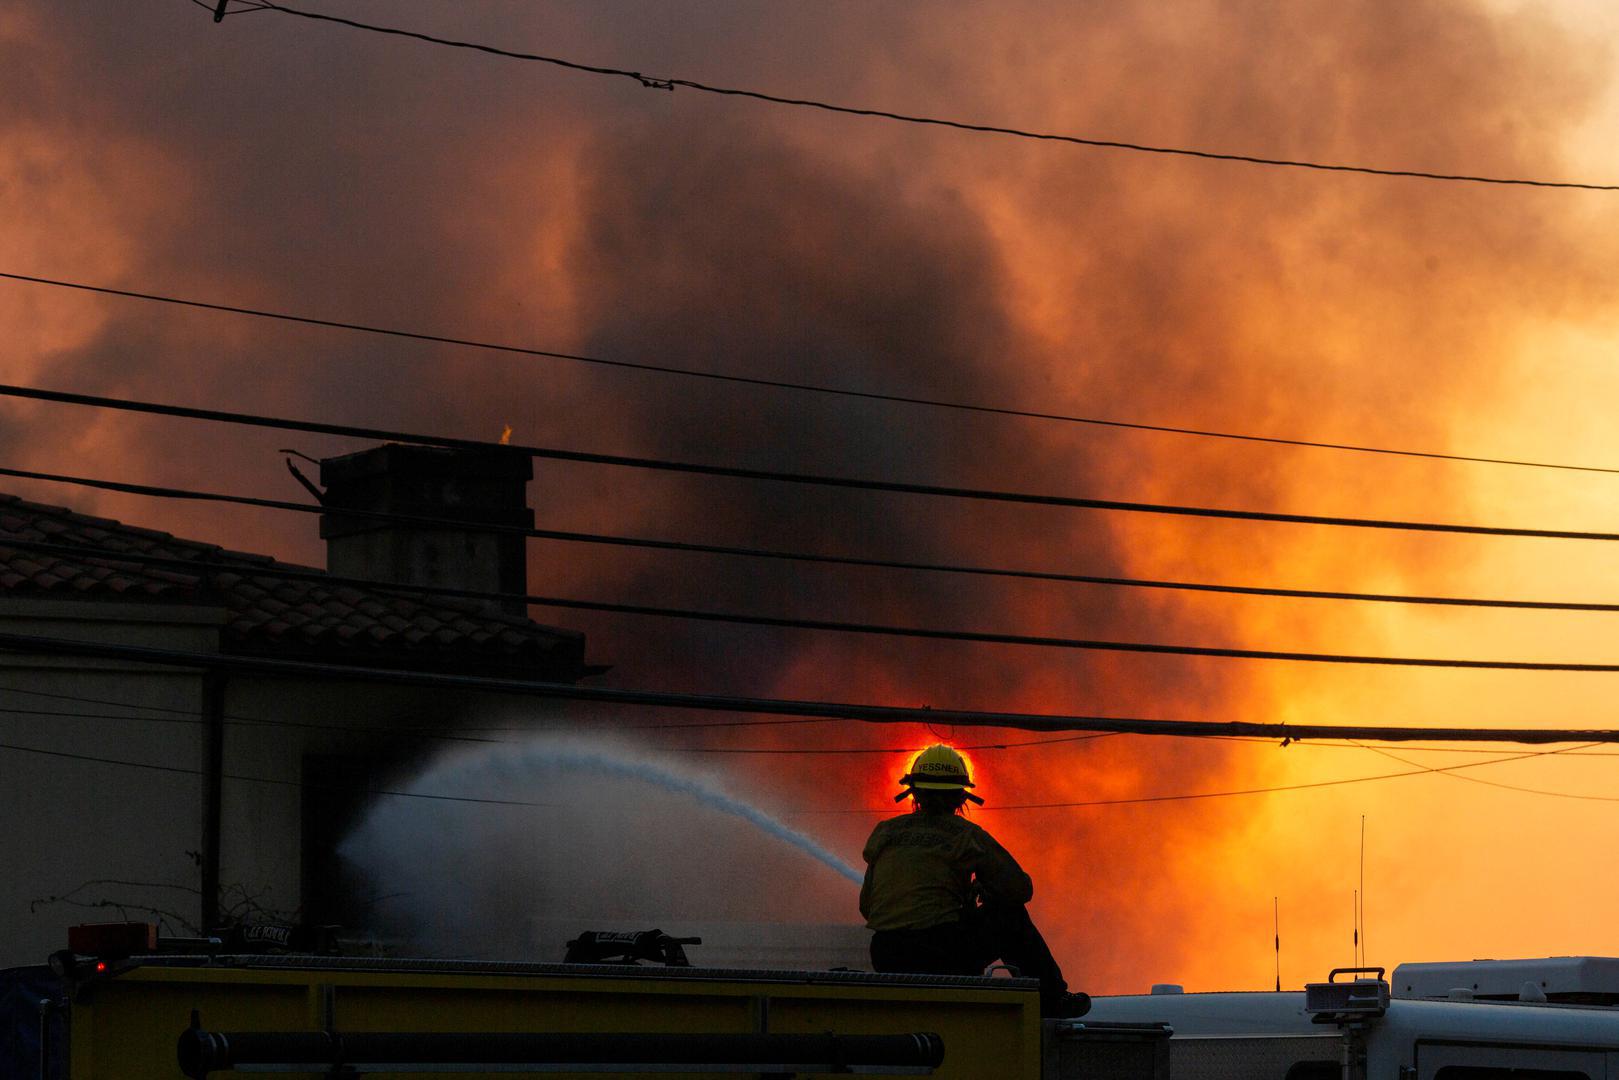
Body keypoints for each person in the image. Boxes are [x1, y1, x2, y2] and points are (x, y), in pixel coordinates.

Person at [859, 744, 1089, 1018]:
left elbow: (867, 906)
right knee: (1009, 915)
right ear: (961, 796)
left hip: (886, 956)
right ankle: (1052, 998)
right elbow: (1020, 889)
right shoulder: (967, 835)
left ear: (914, 791)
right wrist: (988, 889)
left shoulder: (885, 833)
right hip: (940, 957)